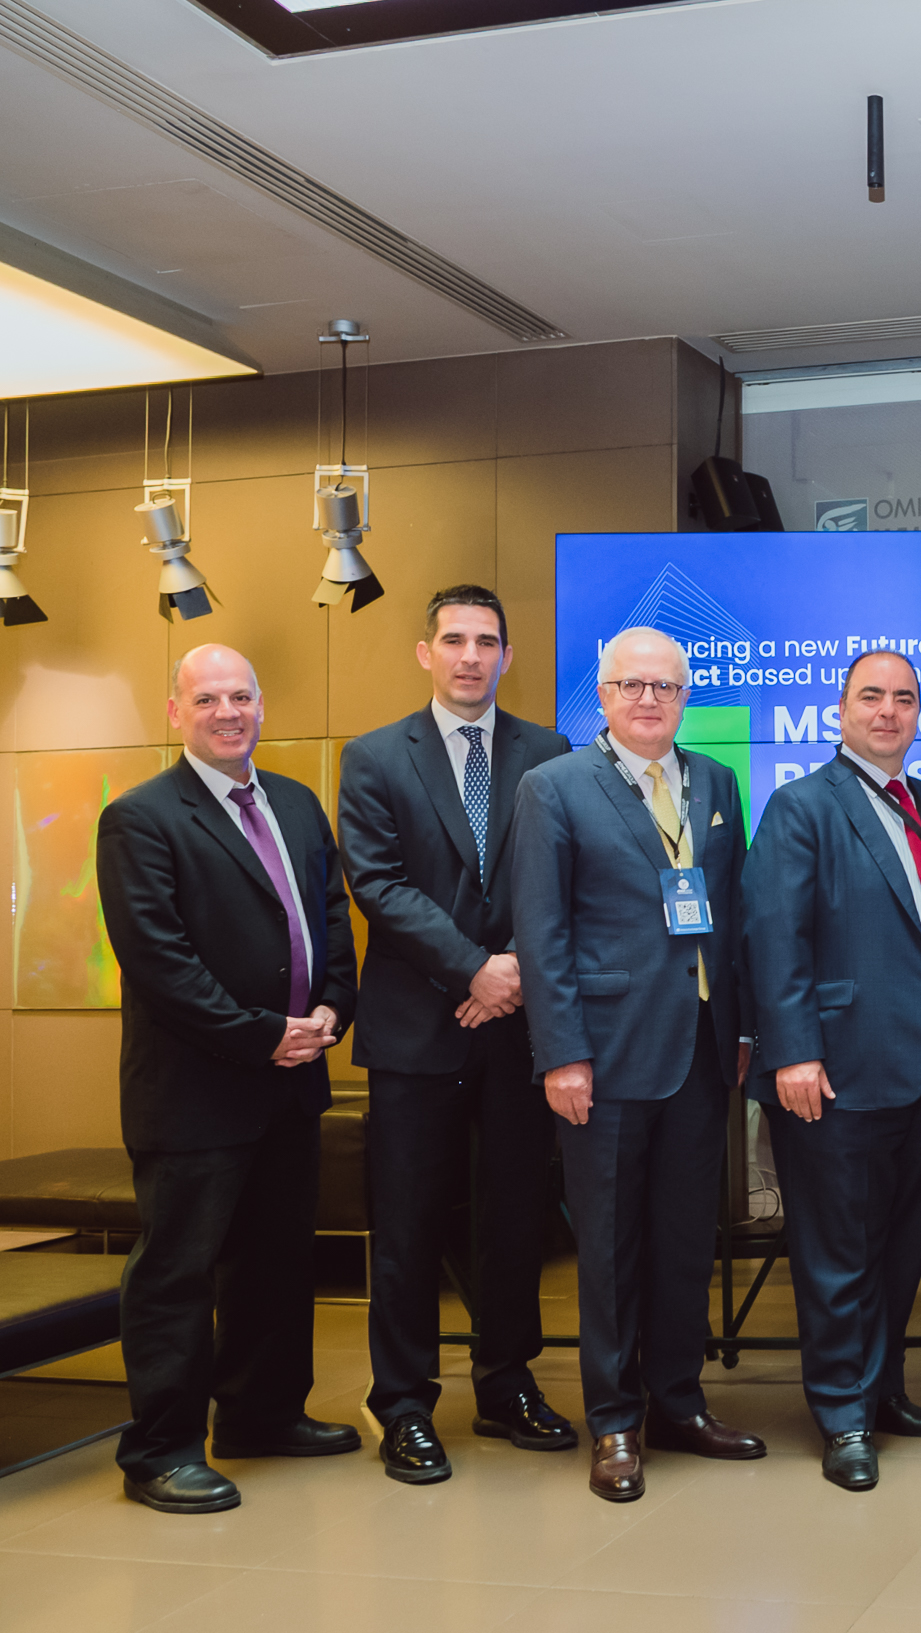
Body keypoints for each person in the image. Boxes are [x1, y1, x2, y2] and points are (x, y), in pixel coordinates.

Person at [97, 644, 361, 1514]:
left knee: (276, 1261)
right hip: (195, 1090)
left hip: (292, 1079)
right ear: (176, 712)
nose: (227, 712)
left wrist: (332, 1007)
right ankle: (160, 1450)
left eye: (240, 696)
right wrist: (261, 1035)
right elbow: (159, 961)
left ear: (261, 705)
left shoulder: (295, 802)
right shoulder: (140, 818)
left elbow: (330, 916)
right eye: (207, 698)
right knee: (177, 1272)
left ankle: (260, 1414)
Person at [510, 626, 764, 1503]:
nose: (649, 699)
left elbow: (733, 916)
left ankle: (679, 1404)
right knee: (612, 1249)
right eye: (631, 685)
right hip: (606, 1055)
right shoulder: (553, 787)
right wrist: (562, 1054)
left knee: (687, 1241)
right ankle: (615, 1421)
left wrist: (742, 1030)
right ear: (603, 695)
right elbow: (541, 931)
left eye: (665, 686)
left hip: (701, 1049)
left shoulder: (717, 781)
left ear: (684, 696)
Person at [338, 585, 576, 1484]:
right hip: (415, 1033)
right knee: (406, 1226)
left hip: (515, 1028)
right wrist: (474, 967)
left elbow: (560, 877)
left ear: (507, 655)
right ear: (425, 652)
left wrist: (509, 968)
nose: (470, 655)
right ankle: (402, 1402)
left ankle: (506, 1385)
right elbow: (378, 883)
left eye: (486, 641)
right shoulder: (373, 757)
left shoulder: (547, 752)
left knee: (514, 1219)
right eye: (454, 640)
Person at [742, 649, 921, 1492]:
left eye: (904, 698)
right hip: (838, 1062)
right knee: (837, 1246)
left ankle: (881, 1390)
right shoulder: (802, 805)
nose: (888, 710)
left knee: (900, 1236)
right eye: (871, 696)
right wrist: (792, 1050)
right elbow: (774, 936)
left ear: (920, 713)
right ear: (840, 710)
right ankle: (842, 1414)